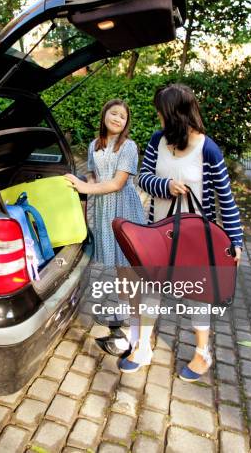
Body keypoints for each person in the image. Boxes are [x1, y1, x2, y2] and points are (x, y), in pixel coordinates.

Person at [119, 83, 243, 382]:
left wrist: (235, 240)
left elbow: (225, 199)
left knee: (196, 295)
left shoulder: (208, 149)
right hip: (158, 231)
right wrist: (167, 186)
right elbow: (144, 179)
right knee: (151, 288)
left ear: (174, 114)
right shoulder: (157, 140)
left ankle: (202, 354)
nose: (158, 117)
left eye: (161, 112)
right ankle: (143, 347)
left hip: (195, 237)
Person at [64, 99, 145, 356]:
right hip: (103, 211)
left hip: (124, 210)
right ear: (105, 115)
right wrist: (86, 189)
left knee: (128, 269)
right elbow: (91, 175)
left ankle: (136, 331)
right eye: (114, 113)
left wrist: (86, 188)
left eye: (123, 116)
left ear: (126, 123)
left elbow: (117, 183)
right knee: (119, 267)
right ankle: (122, 313)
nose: (118, 118)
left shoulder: (129, 146)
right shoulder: (94, 145)